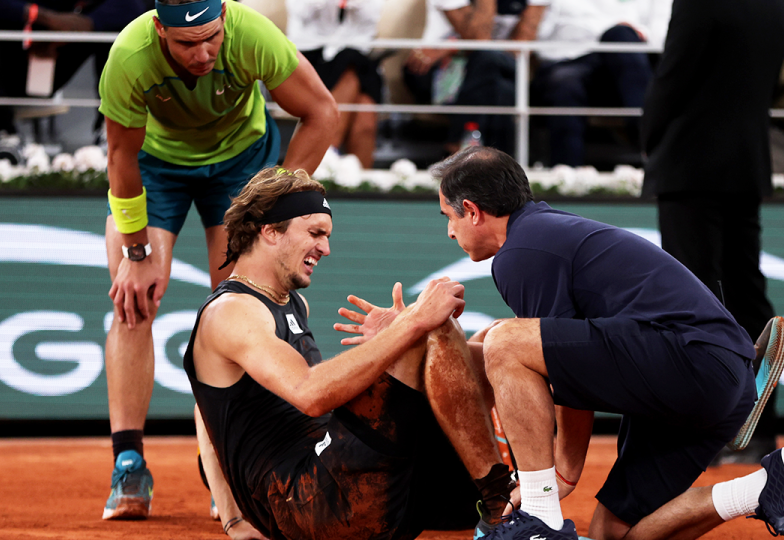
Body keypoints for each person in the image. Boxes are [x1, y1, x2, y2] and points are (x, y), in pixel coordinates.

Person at [432, 146, 784, 540]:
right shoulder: (541, 231)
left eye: (448, 217)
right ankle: (763, 487)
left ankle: (540, 518)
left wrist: (562, 472)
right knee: (613, 533)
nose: (450, 231)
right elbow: (543, 359)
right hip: (710, 384)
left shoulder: (522, 251)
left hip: (695, 361)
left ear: (472, 210)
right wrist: (409, 334)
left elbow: (560, 374)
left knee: (505, 341)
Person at [97, 0, 339, 520]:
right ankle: (129, 462)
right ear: (160, 30)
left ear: (224, 18)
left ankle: (228, 468)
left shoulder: (253, 34)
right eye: (187, 44)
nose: (204, 53)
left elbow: (322, 113)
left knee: (245, 307)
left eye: (212, 37)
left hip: (242, 164)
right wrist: (136, 254)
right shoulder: (129, 57)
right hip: (155, 166)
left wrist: (271, 200)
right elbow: (119, 156)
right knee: (132, 299)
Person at [184, 167, 514, 540]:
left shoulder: (294, 303)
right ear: (270, 231)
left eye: (326, 235)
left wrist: (394, 337)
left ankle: (516, 494)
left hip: (343, 479)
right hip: (309, 502)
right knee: (432, 325)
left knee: (496, 343)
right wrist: (410, 326)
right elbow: (309, 392)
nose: (325, 248)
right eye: (315, 233)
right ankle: (498, 504)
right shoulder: (232, 311)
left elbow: (206, 408)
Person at [640, 0, 784, 464]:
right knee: (747, 294)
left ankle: (704, 432)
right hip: (745, 164)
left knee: (694, 302)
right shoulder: (774, 6)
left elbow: (673, 78)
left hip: (690, 165)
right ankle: (758, 429)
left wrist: (650, 133)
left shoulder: (698, 2)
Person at [0, 0, 147, 163]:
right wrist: (42, 17)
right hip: (5, 65)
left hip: (56, 53)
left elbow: (134, 5)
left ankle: (111, 131)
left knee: (120, 28)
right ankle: (4, 136)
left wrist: (80, 26)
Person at [402, 0, 549, 156]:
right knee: (500, 86)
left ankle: (459, 147)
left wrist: (450, 47)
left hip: (500, 68)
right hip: (440, 73)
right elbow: (479, 39)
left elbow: (520, 47)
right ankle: (502, 162)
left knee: (493, 71)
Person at [532, 0, 653, 167]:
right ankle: (565, 175)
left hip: (620, 63)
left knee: (620, 34)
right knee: (565, 83)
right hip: (567, 60)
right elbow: (536, 35)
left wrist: (637, 31)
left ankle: (650, 142)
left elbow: (663, 31)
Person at [287, 0, 385, 168]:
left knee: (364, 117)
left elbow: (372, 15)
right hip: (311, 58)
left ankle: (330, 160)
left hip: (358, 59)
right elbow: (301, 12)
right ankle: (333, 159)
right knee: (356, 86)